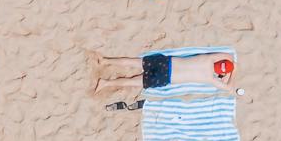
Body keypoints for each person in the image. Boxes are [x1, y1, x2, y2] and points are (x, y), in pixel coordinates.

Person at [87, 49, 234, 98]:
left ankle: (105, 61)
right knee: (132, 81)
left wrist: (233, 65)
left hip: (167, 62)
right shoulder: (209, 78)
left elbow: (229, 56)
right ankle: (105, 83)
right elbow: (228, 88)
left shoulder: (209, 58)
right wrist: (229, 74)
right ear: (220, 74)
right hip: (166, 78)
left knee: (133, 62)